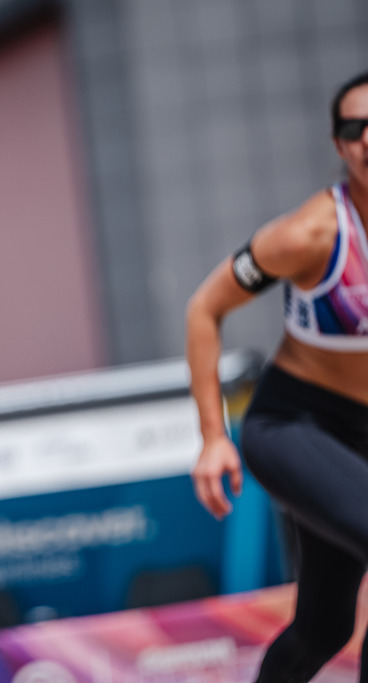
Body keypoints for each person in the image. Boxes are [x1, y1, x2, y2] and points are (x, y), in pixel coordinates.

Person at [186, 70, 368, 682]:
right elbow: (204, 308)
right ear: (338, 143)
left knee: (325, 626)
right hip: (295, 425)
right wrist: (213, 437)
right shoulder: (309, 234)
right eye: (355, 127)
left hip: (360, 437)